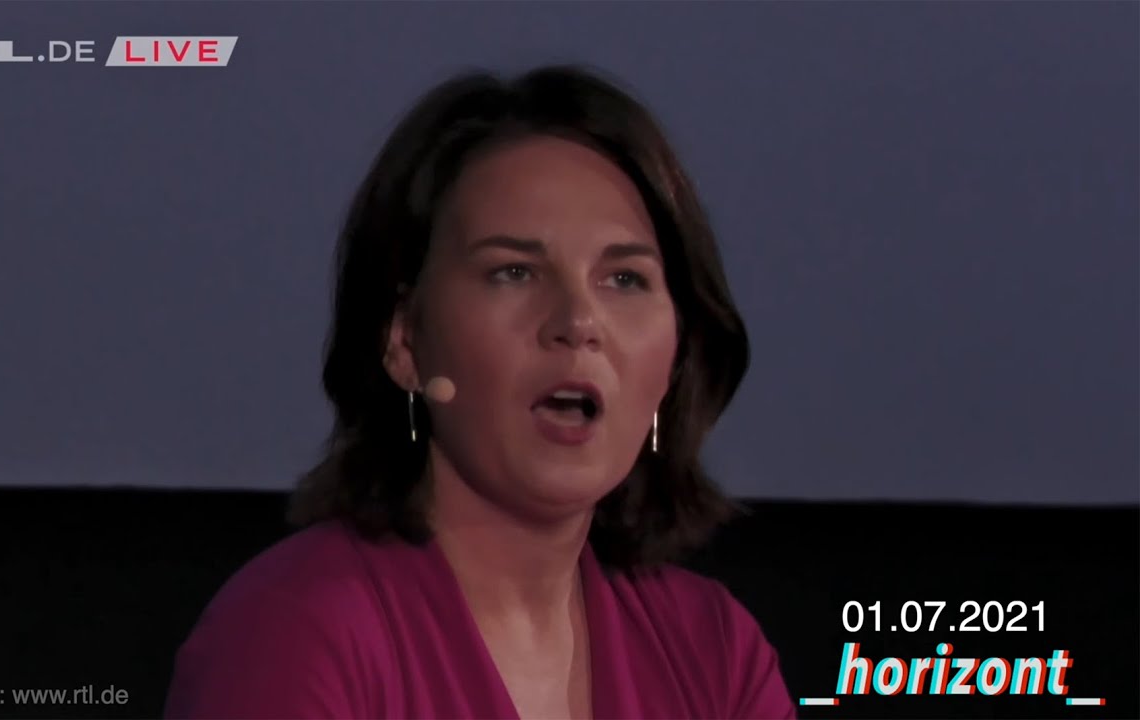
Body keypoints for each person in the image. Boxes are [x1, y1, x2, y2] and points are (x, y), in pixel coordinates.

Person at [164, 64, 796, 719]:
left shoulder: (715, 654)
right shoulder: (295, 631)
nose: (579, 322)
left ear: (676, 355)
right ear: (405, 340)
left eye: (624, 279)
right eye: (514, 272)